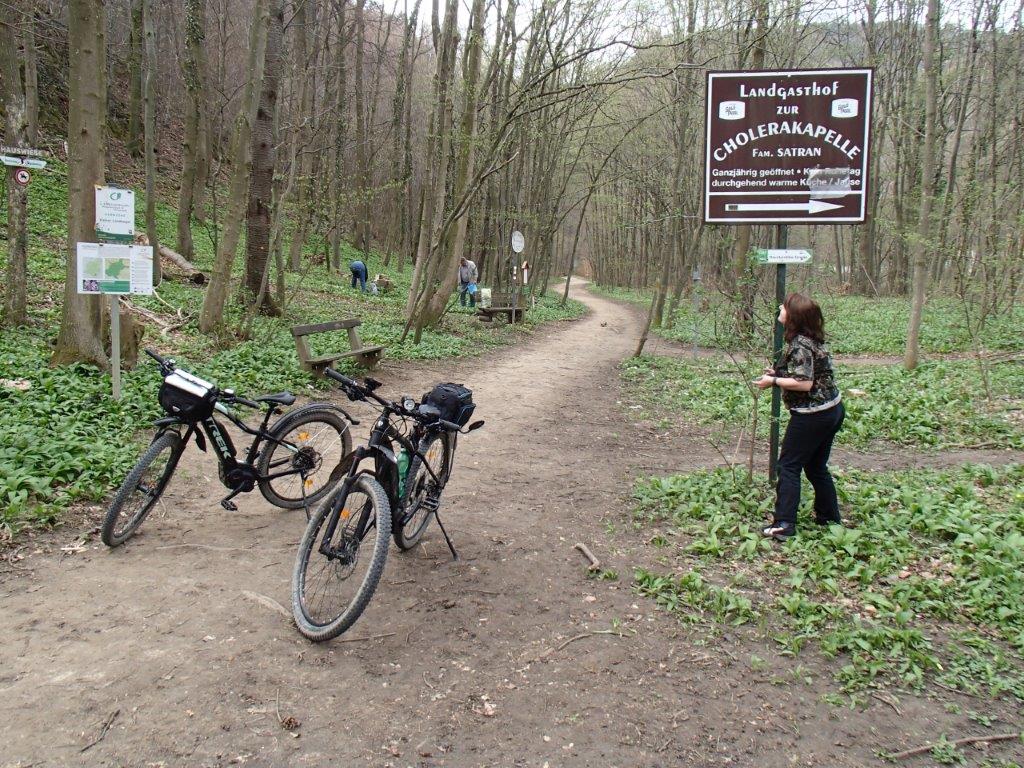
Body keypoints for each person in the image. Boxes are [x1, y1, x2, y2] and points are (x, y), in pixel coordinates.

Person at [755, 293, 845, 541]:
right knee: (816, 466)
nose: (780, 308)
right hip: (832, 410)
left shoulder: (800, 345)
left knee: (788, 466)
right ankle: (829, 517)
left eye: (784, 307)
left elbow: (804, 383)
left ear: (793, 316)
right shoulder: (810, 339)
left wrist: (773, 381)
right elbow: (807, 372)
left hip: (813, 415)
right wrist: (779, 373)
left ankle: (784, 524)